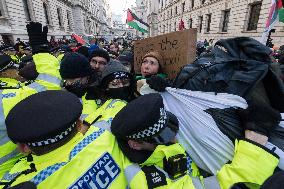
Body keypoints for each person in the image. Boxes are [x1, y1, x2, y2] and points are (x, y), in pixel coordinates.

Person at [111, 93, 280, 189]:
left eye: (169, 130)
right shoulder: (147, 181)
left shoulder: (159, 148)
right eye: (163, 138)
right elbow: (227, 187)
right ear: (135, 144)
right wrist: (255, 143)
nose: (173, 138)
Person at [0, 90, 137, 188]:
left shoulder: (19, 182)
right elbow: (116, 104)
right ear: (78, 124)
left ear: (23, 147)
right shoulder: (106, 135)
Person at [0, 22, 62, 178]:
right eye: (14, 68)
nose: (18, 72)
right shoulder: (10, 98)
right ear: (5, 74)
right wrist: (41, 50)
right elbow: (50, 84)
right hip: (9, 172)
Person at [83, 61, 134, 128]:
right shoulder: (92, 99)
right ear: (106, 87)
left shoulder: (135, 97)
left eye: (125, 82)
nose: (121, 86)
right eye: (115, 83)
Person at [59, 52, 99, 120]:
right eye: (66, 79)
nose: (68, 83)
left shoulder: (95, 94)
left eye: (72, 79)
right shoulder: (69, 89)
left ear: (85, 76)